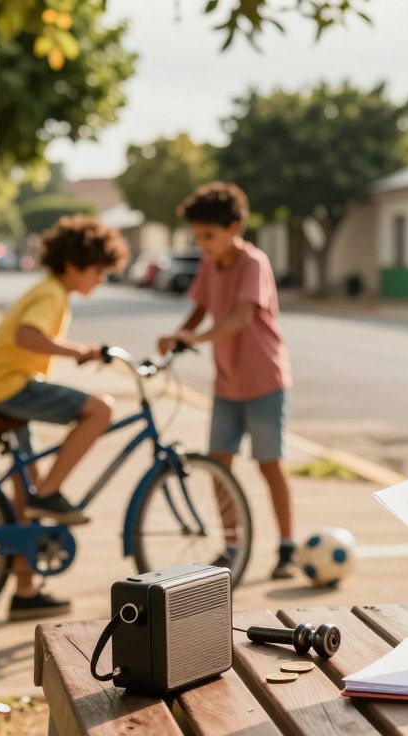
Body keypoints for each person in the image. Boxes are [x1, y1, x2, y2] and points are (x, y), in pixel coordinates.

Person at [0, 214, 125, 620]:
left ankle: (25, 590)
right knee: (101, 409)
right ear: (74, 266)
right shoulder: (52, 293)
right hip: (9, 385)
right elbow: (27, 336)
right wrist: (80, 351)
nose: (101, 279)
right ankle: (50, 495)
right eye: (98, 271)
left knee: (26, 489)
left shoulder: (50, 290)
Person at [157, 182, 297, 579]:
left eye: (209, 236)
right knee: (219, 464)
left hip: (264, 380)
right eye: (198, 237)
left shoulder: (253, 262)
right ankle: (231, 545)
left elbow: (239, 318)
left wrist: (195, 338)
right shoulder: (209, 264)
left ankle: (287, 545)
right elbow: (199, 309)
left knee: (269, 464)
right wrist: (176, 339)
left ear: (234, 226)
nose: (203, 245)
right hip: (228, 383)